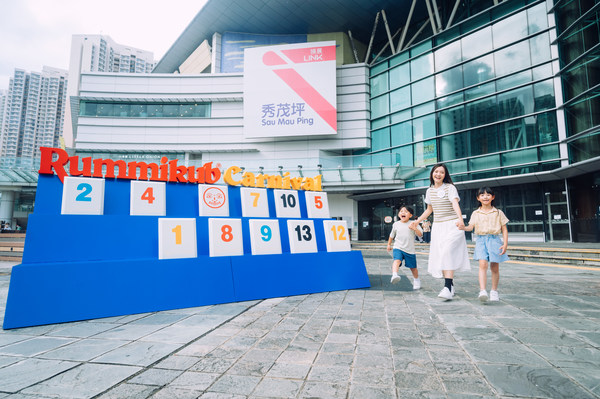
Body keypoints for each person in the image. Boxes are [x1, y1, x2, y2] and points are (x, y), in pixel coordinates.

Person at [410, 163, 470, 301]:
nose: (438, 174)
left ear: (445, 175)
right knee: (443, 255)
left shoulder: (450, 188)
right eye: (436, 172)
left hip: (452, 224)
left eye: (441, 172)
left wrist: (461, 220)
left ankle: (447, 287)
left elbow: (455, 204)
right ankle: (450, 285)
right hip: (438, 226)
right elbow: (429, 210)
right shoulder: (429, 191)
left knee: (447, 252)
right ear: (432, 174)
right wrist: (417, 221)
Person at [459, 187, 509, 302]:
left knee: (494, 267)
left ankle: (494, 291)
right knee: (483, 264)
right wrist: (463, 227)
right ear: (478, 198)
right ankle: (482, 291)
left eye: (488, 194)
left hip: (495, 240)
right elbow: (470, 227)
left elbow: (504, 229)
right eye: (482, 195)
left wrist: (505, 244)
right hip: (481, 240)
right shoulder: (475, 213)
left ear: (493, 197)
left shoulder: (498, 212)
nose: (485, 197)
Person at [387, 206, 423, 290]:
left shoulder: (414, 223)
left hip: (409, 250)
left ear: (410, 215)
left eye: (406, 211)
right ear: (399, 214)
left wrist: (414, 228)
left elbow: (420, 234)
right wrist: (389, 244)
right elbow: (391, 235)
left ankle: (416, 280)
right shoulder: (396, 224)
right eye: (401, 211)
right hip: (398, 247)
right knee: (397, 260)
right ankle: (395, 275)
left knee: (413, 268)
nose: (403, 213)